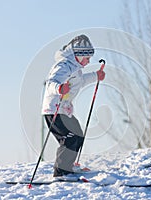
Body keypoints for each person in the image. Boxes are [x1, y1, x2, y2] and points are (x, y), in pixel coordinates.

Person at [42, 34, 105, 177]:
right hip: (54, 110)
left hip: (65, 110)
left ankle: (69, 166)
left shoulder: (75, 68)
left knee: (78, 135)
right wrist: (58, 88)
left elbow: (81, 81)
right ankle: (61, 172)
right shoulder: (63, 65)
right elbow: (51, 82)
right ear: (78, 54)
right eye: (87, 58)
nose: (88, 62)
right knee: (69, 137)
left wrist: (96, 75)